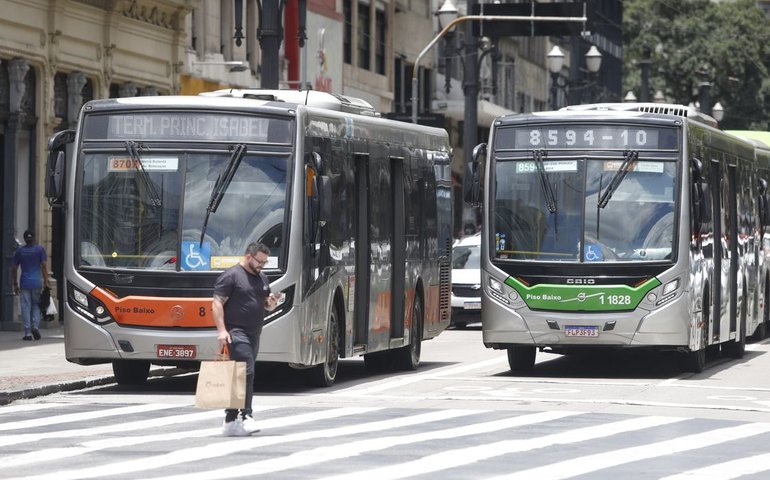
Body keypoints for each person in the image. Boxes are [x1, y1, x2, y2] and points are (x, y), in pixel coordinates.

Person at [212, 242, 282, 436]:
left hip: (254, 334)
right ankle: (246, 416)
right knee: (247, 372)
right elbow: (217, 303)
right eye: (260, 261)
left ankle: (230, 419)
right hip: (236, 332)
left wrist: (272, 303)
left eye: (265, 262)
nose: (262, 265)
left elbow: (266, 305)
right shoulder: (232, 276)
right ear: (249, 257)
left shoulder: (262, 277)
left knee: (238, 376)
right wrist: (221, 331)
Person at [11, 230, 51, 341]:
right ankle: (35, 327)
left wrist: (15, 283)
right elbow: (43, 266)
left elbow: (14, 268)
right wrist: (46, 281)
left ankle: (28, 333)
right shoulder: (40, 250)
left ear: (24, 239)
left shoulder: (20, 251)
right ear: (34, 238)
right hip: (36, 282)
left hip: (24, 282)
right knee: (36, 306)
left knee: (25, 307)